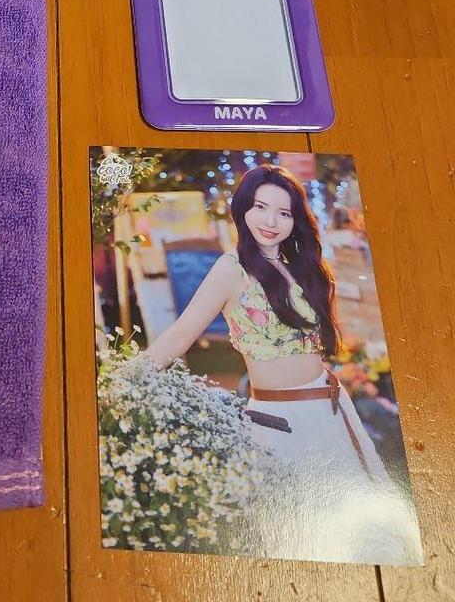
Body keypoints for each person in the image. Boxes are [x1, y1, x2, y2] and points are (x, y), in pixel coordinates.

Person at [143, 163, 420, 564]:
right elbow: (180, 334)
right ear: (243, 209)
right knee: (306, 534)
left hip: (332, 407)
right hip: (281, 420)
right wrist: (125, 379)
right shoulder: (232, 268)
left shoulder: (299, 266)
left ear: (295, 220)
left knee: (365, 532)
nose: (271, 222)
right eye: (260, 207)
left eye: (284, 212)